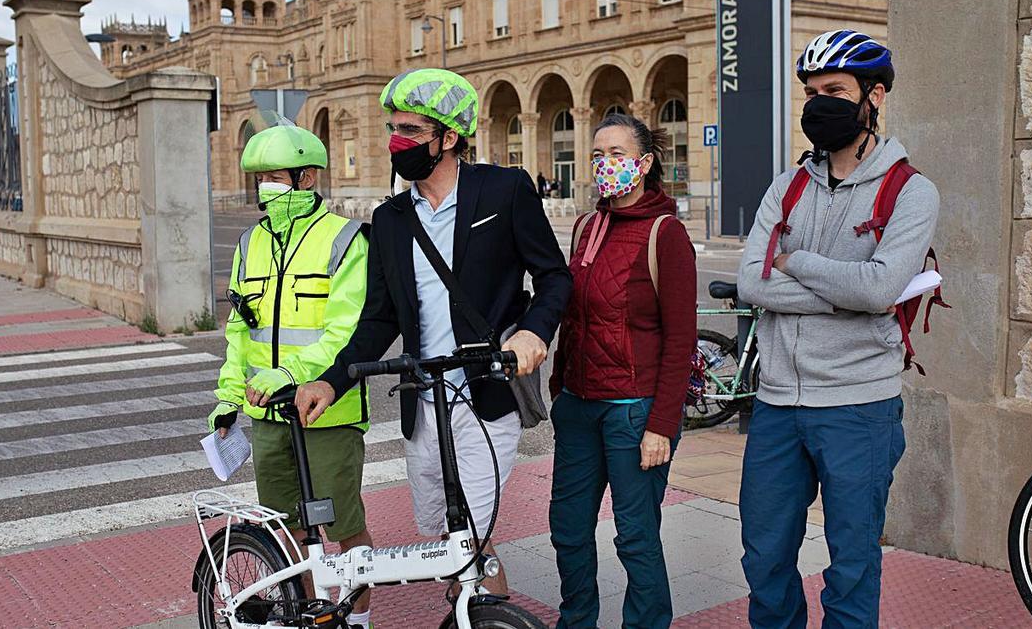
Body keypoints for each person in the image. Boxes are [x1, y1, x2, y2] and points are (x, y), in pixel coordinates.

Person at [296, 68, 572, 595]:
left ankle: (486, 609)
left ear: (449, 138)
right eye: (393, 129)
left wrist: (534, 333)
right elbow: (378, 321)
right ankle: (470, 600)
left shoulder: (504, 190)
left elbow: (555, 277)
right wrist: (331, 382)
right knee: (452, 533)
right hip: (424, 401)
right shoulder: (392, 218)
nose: (397, 142)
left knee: (471, 534)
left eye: (411, 131)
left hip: (487, 395)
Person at [735, 30, 939, 628]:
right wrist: (848, 291)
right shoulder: (788, 183)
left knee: (851, 566)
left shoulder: (912, 191)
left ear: (874, 96)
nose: (819, 103)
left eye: (836, 91)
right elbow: (750, 282)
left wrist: (793, 260)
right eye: (812, 91)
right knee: (764, 557)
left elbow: (880, 290)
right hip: (776, 403)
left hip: (858, 408)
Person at [207, 124, 375, 629]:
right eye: (259, 178)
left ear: (308, 176)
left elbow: (344, 329)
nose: (265, 188)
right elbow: (240, 331)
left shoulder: (343, 238)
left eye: (274, 177)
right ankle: (306, 616)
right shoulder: (248, 244)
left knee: (344, 528)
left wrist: (289, 372)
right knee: (284, 532)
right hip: (268, 416)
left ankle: (359, 620)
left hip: (327, 412)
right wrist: (227, 397)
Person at [547, 113, 698, 629]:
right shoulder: (587, 227)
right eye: (597, 155)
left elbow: (680, 340)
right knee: (567, 528)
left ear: (645, 162)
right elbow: (572, 314)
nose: (604, 164)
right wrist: (559, 388)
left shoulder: (665, 233)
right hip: (578, 406)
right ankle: (577, 621)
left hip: (634, 413)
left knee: (635, 535)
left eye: (615, 154)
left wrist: (661, 425)